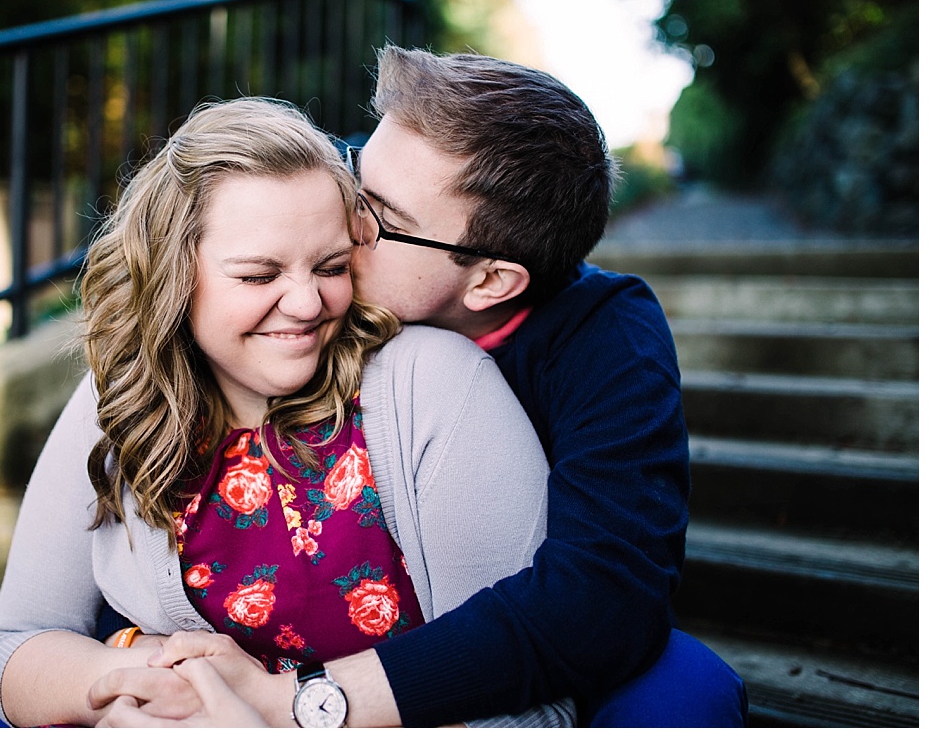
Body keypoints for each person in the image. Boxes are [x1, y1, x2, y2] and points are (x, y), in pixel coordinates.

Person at [85, 46, 747, 728]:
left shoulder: (605, 337)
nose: (341, 222)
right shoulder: (309, 301)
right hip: (285, 604)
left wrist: (304, 700)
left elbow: (606, 594)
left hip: (466, 636)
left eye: (381, 216)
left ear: (491, 280)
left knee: (684, 690)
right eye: (354, 176)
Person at [0, 96, 576, 727]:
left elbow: (527, 702)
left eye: (331, 266)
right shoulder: (119, 399)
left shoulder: (437, 387)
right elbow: (17, 641)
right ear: (172, 276)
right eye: (259, 276)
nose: (307, 302)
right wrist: (131, 681)